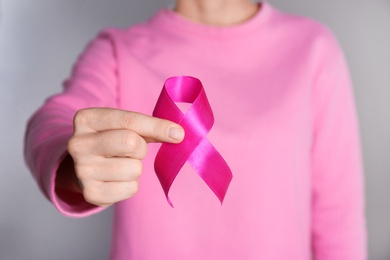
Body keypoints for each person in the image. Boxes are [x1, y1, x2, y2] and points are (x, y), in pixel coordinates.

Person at [24, 0, 367, 259]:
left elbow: (338, 222)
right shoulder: (118, 51)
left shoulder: (313, 49)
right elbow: (54, 120)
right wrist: (70, 162)